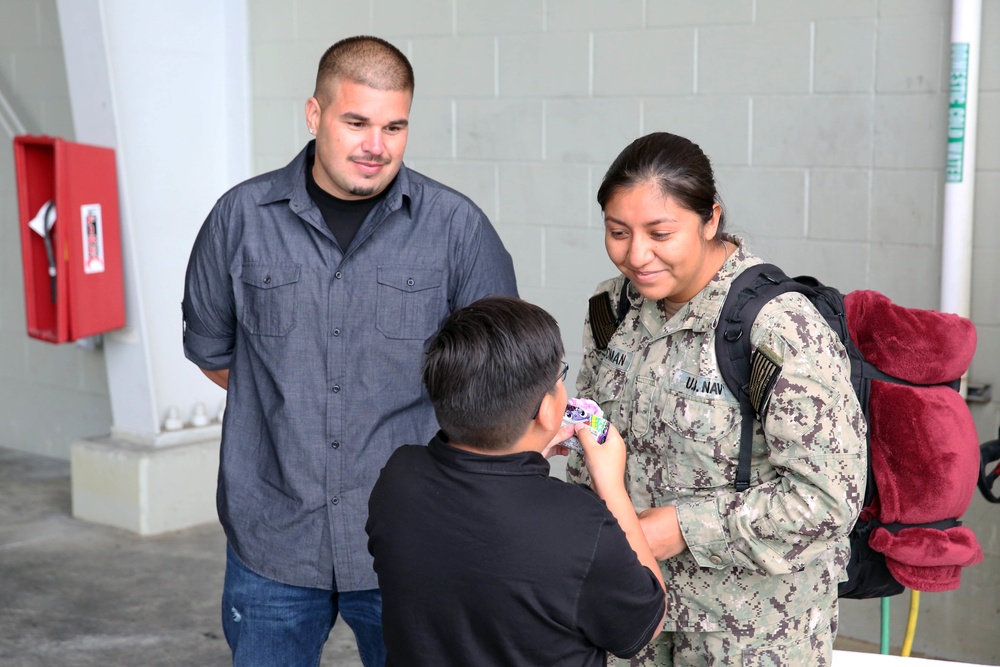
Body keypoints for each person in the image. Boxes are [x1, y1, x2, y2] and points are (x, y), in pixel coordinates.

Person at [181, 35, 517, 667]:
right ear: (314, 115)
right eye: (356, 122)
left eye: (395, 126)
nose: (376, 146)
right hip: (272, 535)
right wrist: (293, 402)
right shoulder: (240, 219)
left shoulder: (456, 227)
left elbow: (498, 381)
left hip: (412, 542)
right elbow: (214, 352)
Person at [566, 132, 867, 666]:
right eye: (617, 232)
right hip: (633, 616)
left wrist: (682, 527)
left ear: (710, 219)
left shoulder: (777, 328)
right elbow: (592, 439)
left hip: (751, 635)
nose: (636, 255)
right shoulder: (611, 309)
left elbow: (828, 501)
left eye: (660, 232)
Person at [366, 296, 666, 666]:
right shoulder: (580, 524)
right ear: (546, 410)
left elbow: (477, 535)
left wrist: (526, 456)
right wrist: (612, 486)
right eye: (560, 379)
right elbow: (644, 623)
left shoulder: (399, 477)